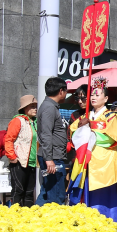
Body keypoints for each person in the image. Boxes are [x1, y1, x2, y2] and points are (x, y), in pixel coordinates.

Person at [69, 77, 117, 232]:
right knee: (86, 198)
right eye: (92, 94)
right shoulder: (84, 117)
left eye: (98, 94)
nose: (94, 97)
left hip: (105, 165)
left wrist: (89, 132)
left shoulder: (111, 117)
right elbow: (73, 133)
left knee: (106, 201)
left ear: (106, 98)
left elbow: (112, 138)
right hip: (87, 164)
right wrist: (81, 129)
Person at [37, 77, 69, 205]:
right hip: (53, 158)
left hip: (53, 156)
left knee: (47, 192)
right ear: (61, 91)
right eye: (66, 91)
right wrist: (49, 159)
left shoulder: (50, 106)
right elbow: (46, 134)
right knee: (56, 196)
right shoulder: (49, 108)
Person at [4, 95, 39, 207]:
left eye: (36, 106)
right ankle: (15, 216)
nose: (35, 109)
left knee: (29, 192)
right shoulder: (18, 121)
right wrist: (12, 157)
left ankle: (27, 218)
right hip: (20, 161)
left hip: (33, 162)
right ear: (24, 108)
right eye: (32, 106)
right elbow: (8, 139)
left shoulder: (35, 122)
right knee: (18, 190)